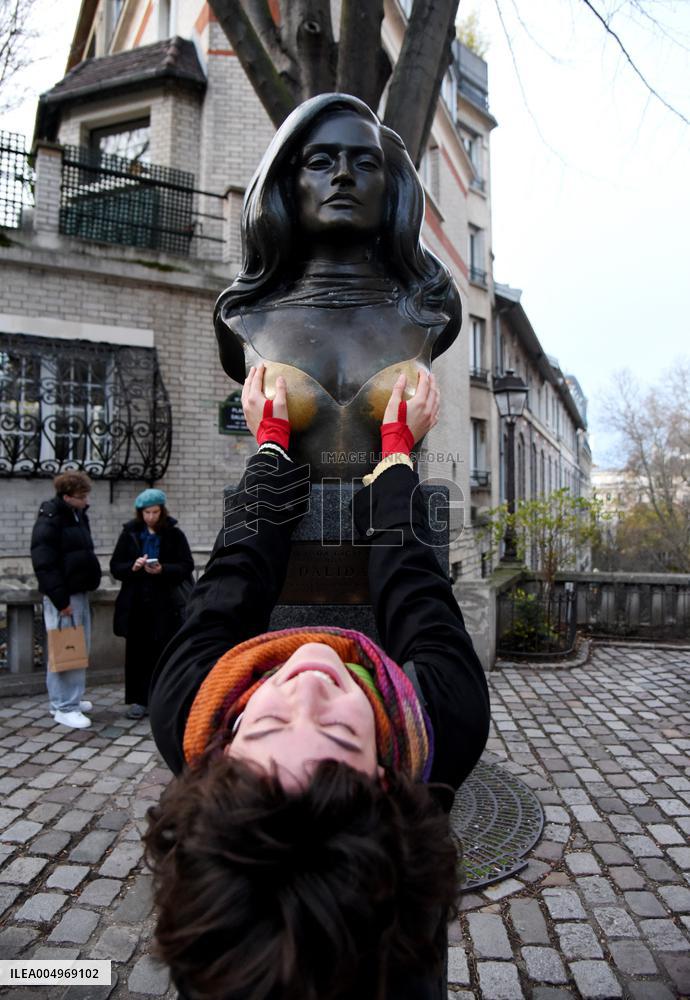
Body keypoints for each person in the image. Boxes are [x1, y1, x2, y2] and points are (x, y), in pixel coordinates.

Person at [145, 367, 491, 1000]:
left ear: (221, 754)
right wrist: (395, 456)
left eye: (271, 724)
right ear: (388, 781)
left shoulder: (186, 706)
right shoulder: (447, 720)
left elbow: (231, 580)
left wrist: (273, 449)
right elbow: (417, 590)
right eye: (336, 729)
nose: (307, 679)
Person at [214, 92, 462, 479]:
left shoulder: (429, 308)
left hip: (394, 516)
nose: (343, 174)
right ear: (288, 183)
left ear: (390, 185)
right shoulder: (243, 317)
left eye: (365, 163)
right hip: (287, 516)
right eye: (320, 162)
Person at [110, 489, 194, 720]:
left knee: (165, 653)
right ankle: (139, 700)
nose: (151, 517)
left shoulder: (174, 534)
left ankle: (164, 699)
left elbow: (186, 565)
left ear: (162, 511)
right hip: (137, 605)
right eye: (147, 513)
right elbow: (116, 567)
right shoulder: (130, 534)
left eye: (155, 512)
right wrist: (134, 567)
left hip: (166, 606)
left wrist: (163, 569)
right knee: (137, 655)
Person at [30, 471, 102, 730]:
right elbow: (44, 563)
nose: (86, 501)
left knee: (72, 648)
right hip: (65, 596)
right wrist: (61, 600)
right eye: (82, 496)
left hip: (77, 591)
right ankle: (65, 706)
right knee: (68, 648)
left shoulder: (76, 515)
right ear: (67, 496)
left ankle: (66, 699)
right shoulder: (51, 519)